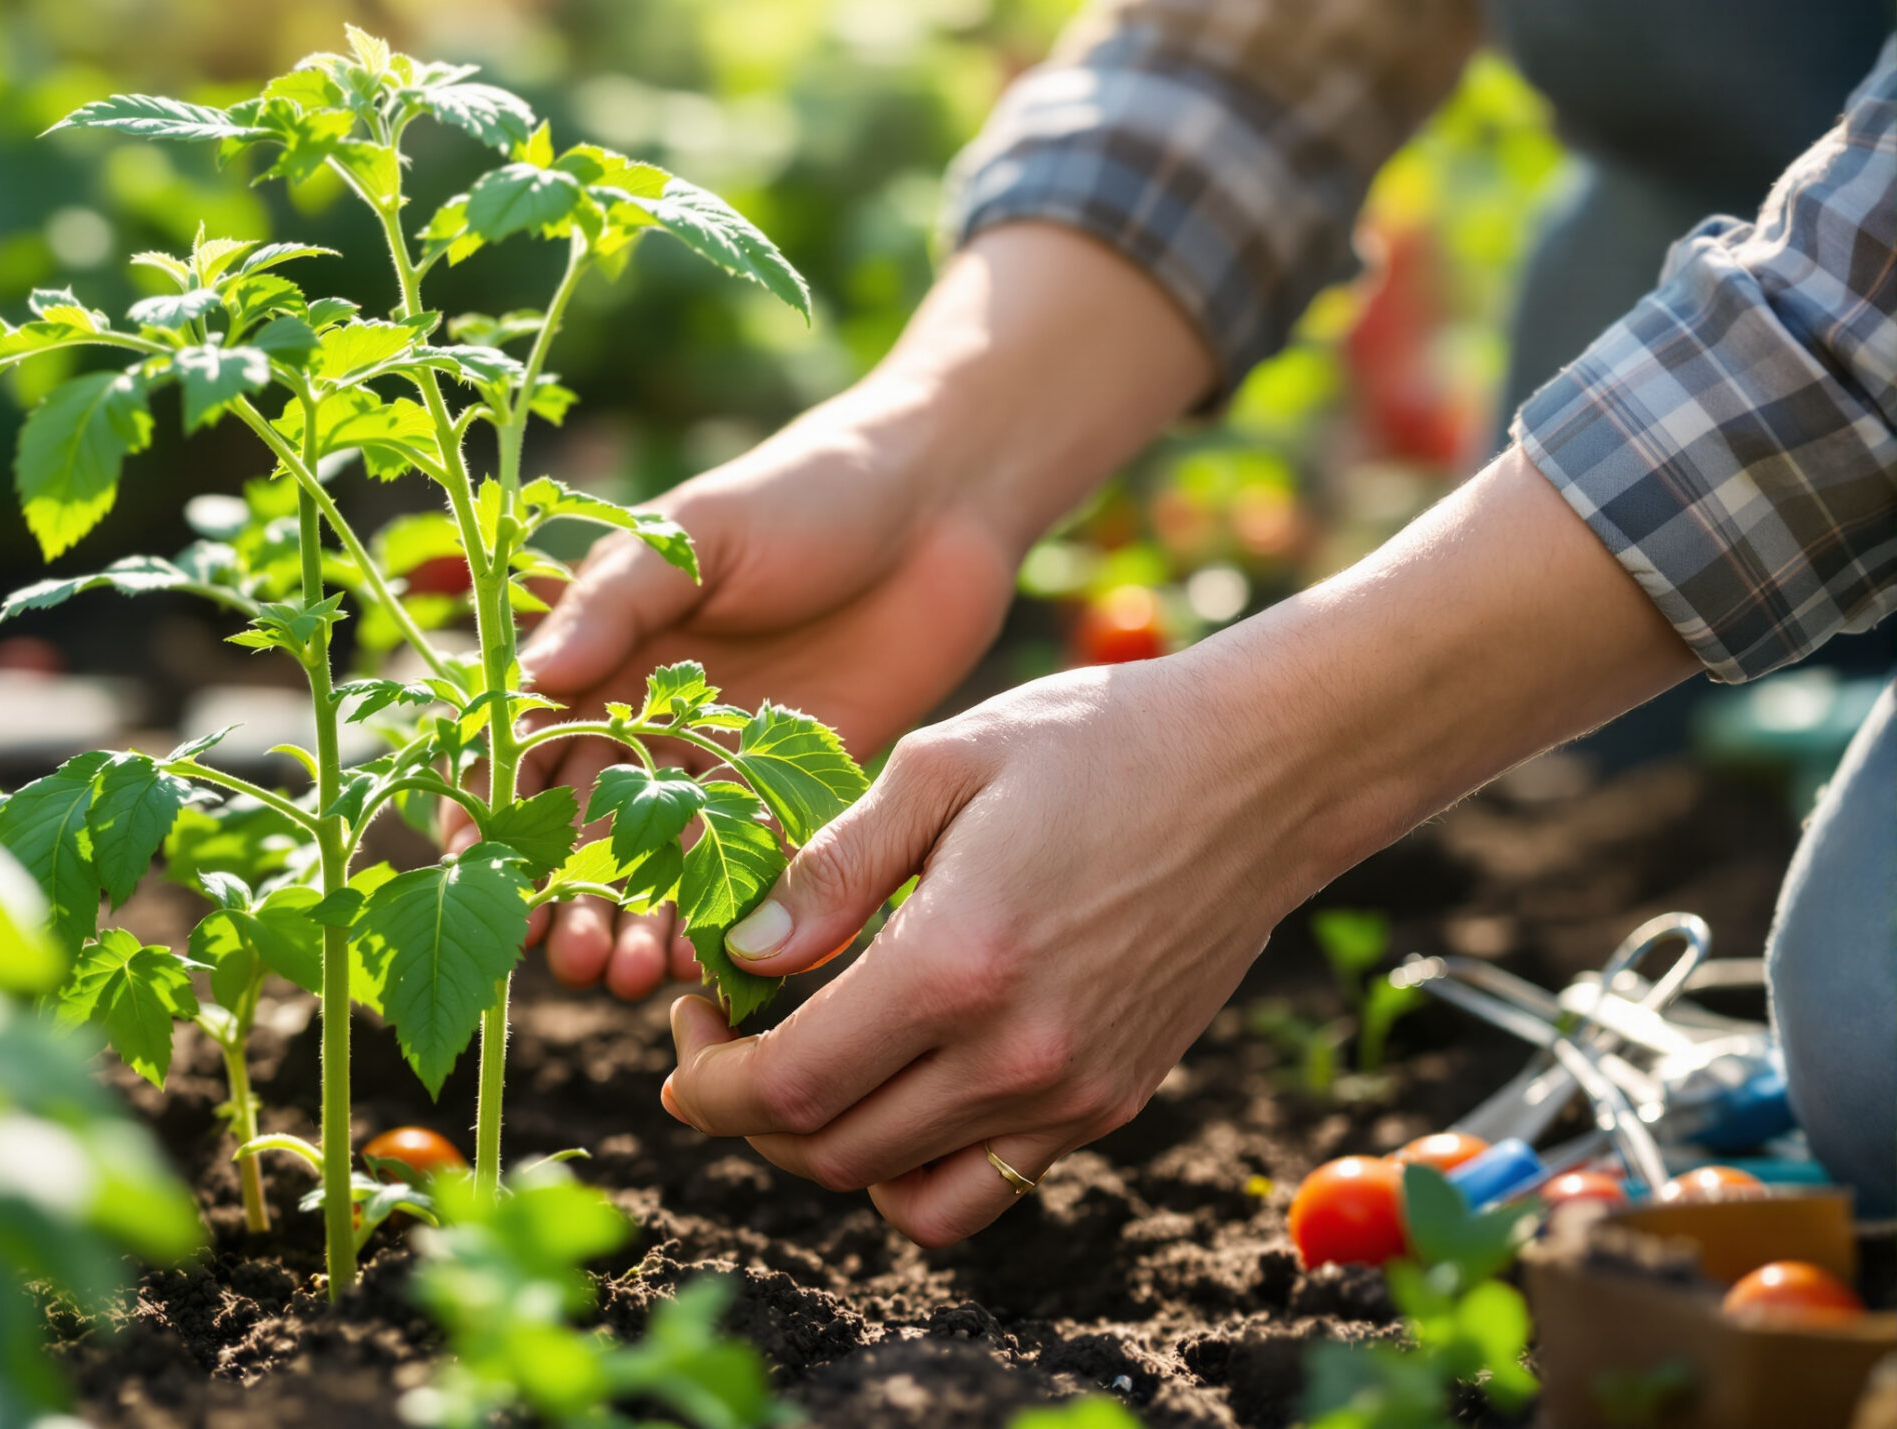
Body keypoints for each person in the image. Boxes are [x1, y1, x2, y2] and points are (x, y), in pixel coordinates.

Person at [454, 0, 1897, 1247]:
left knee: (1875, 1041)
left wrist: (1269, 761)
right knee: (1614, 782)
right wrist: (941, 457)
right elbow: (1268, 41)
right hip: (1719, 226)